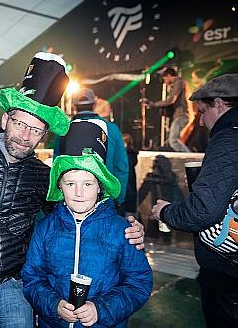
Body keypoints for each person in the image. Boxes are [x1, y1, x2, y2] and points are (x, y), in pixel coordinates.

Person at [0, 52, 145, 328]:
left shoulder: (42, 176)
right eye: (21, 124)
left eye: (36, 131)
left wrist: (127, 225)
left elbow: (76, 211)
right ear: (7, 117)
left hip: (15, 287)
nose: (25, 136)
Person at [22, 149, 152, 327]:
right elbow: (32, 277)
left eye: (88, 184)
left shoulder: (122, 230)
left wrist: (101, 309)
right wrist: (54, 305)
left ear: (100, 187)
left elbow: (139, 282)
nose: (79, 193)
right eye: (70, 184)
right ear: (60, 187)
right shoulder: (45, 228)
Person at [151, 73, 238, 327]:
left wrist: (166, 212)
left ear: (219, 104)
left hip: (228, 278)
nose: (200, 121)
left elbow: (203, 211)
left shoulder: (228, 140)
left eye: (202, 111)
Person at [58, 88, 129, 205]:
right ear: (95, 104)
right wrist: (118, 198)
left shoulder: (64, 130)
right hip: (105, 198)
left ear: (74, 105)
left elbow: (58, 164)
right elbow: (121, 166)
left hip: (73, 199)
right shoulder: (111, 128)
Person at [145, 68, 190, 152]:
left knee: (173, 141)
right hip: (179, 115)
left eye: (164, 78)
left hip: (181, 115)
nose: (164, 81)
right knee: (168, 142)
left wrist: (154, 104)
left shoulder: (178, 82)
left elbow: (170, 100)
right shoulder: (176, 84)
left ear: (169, 76)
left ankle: (191, 158)